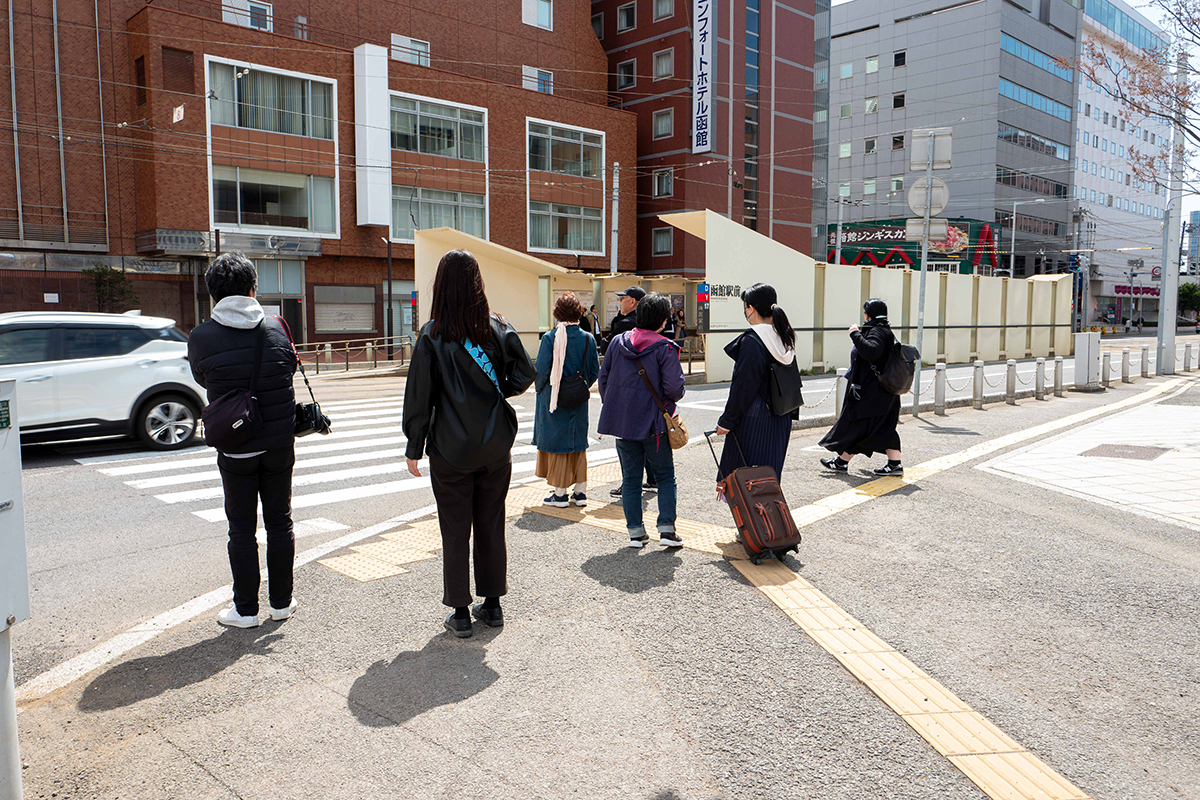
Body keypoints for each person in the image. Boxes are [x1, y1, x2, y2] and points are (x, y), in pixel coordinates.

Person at [403, 250, 536, 638]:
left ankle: (460, 612)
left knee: (455, 529)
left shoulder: (431, 334)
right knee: (492, 524)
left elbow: (419, 397)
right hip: (496, 446)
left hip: (450, 450)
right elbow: (527, 372)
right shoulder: (497, 326)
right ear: (478, 283)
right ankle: (492, 606)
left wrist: (415, 445)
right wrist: (499, 396)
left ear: (441, 285)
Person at [188, 252, 299, 629]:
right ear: (253, 288)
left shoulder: (201, 336)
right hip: (280, 443)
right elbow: (289, 369)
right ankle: (282, 604)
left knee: (241, 529)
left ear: (213, 295)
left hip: (236, 445)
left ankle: (246, 611)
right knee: (280, 522)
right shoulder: (277, 327)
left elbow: (204, 378)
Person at [598, 293, 686, 549]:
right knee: (666, 476)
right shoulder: (665, 347)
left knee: (631, 479)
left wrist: (618, 407)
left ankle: (636, 533)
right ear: (662, 320)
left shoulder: (617, 342)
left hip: (622, 423)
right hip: (655, 424)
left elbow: (604, 380)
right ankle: (667, 531)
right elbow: (674, 389)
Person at [715, 283, 798, 485]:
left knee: (744, 481)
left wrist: (727, 420)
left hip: (754, 419)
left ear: (751, 308)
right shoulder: (784, 336)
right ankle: (767, 515)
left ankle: (754, 516)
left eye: (745, 307)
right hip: (780, 417)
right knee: (767, 479)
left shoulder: (753, 340)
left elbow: (743, 386)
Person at [819, 298, 903, 475]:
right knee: (880, 427)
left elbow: (871, 351)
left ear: (867, 314)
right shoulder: (884, 330)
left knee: (861, 426)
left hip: (871, 392)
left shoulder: (877, 332)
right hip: (882, 392)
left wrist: (855, 333)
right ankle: (893, 464)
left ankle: (842, 462)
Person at [534, 292, 600, 507]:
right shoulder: (588, 338)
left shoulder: (550, 338)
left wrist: (542, 390)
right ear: (578, 312)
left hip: (554, 399)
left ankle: (560, 494)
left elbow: (541, 371)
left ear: (557, 313)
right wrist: (579, 387)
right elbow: (593, 371)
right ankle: (580, 492)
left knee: (557, 443)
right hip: (578, 399)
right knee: (577, 443)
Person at [606, 286, 656, 497]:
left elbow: (607, 351)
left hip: (626, 390)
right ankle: (652, 479)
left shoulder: (624, 326)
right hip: (649, 391)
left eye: (623, 298)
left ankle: (629, 484)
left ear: (633, 302)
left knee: (626, 442)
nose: (620, 302)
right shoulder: (650, 327)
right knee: (648, 436)